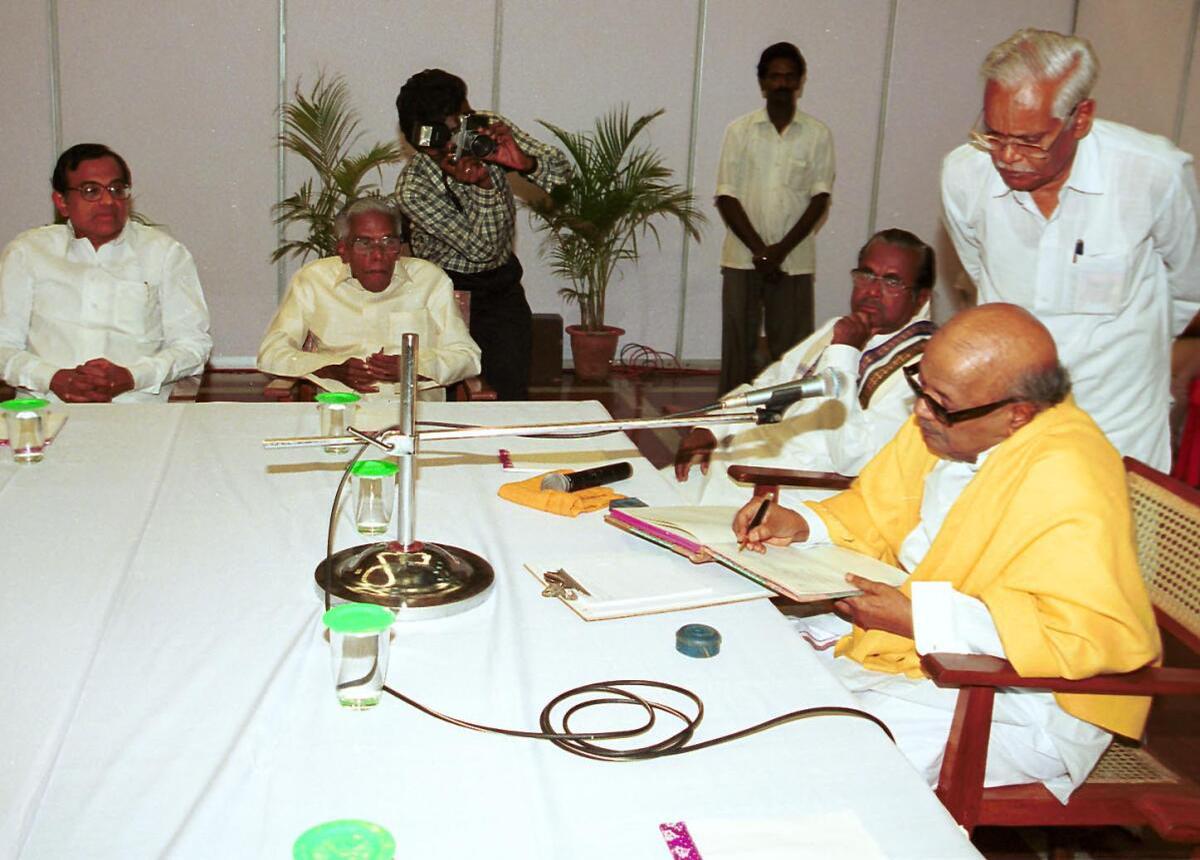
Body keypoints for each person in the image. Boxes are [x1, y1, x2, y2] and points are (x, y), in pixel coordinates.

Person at [733, 303, 1161, 801]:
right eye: (921, 388)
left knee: (820, 766)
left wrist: (921, 620)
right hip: (919, 641)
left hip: (1023, 698)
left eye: (939, 403)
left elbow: (1078, 633)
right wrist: (803, 522)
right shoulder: (953, 421)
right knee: (751, 676)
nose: (920, 411)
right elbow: (877, 508)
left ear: (1016, 414)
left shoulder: (1069, 476)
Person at [941, 28, 1200, 471]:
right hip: (1009, 425)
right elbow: (978, 272)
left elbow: (1189, 288)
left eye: (1028, 141)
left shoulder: (1153, 175)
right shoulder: (965, 175)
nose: (1006, 156)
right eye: (994, 134)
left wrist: (1135, 344)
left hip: (1116, 426)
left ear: (1080, 119)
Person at [672, 228, 934, 505]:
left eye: (892, 283)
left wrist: (843, 353)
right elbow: (766, 389)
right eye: (866, 276)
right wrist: (711, 429)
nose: (872, 291)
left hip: (791, 496)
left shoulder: (923, 368)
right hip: (736, 468)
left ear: (921, 298)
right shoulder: (839, 327)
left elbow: (854, 461)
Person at [394, 69, 572, 400]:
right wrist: (483, 186)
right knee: (434, 404)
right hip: (439, 293)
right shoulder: (413, 187)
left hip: (499, 289)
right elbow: (480, 249)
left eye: (460, 125)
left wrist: (525, 163)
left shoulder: (484, 129)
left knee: (507, 396)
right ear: (419, 141)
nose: (455, 146)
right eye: (439, 141)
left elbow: (563, 176)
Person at [0, 143, 211, 402]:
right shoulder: (27, 253)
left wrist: (133, 376)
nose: (108, 201)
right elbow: (3, 346)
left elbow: (193, 345)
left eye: (117, 189)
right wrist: (52, 378)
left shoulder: (164, 254)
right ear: (62, 202)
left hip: (136, 412)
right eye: (91, 191)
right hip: (46, 411)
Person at [257, 197, 480, 399]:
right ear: (343, 249)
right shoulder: (313, 280)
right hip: (340, 412)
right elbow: (271, 353)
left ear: (399, 248)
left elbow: (467, 357)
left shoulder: (429, 280)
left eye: (388, 242)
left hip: (415, 416)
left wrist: (413, 367)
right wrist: (329, 367)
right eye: (364, 243)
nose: (378, 255)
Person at [716, 41, 835, 395]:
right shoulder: (739, 131)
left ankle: (788, 423)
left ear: (800, 82)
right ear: (762, 82)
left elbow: (819, 198)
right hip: (742, 257)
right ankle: (729, 419)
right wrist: (759, 251)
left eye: (789, 77)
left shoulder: (817, 135)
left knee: (794, 350)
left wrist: (779, 252)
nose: (782, 84)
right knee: (738, 348)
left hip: (793, 262)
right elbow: (725, 195)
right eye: (774, 77)